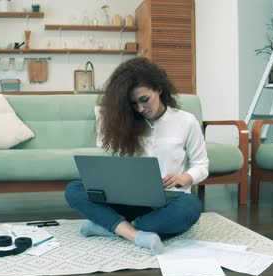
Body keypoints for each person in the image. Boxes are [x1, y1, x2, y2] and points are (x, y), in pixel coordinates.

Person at [64, 57, 209, 255]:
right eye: (134, 104)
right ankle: (136, 234)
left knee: (191, 206)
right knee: (74, 189)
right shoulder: (126, 124)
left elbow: (201, 165)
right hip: (130, 201)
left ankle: (113, 228)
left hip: (169, 201)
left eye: (144, 100)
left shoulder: (186, 121)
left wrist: (184, 178)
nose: (141, 109)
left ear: (158, 88)